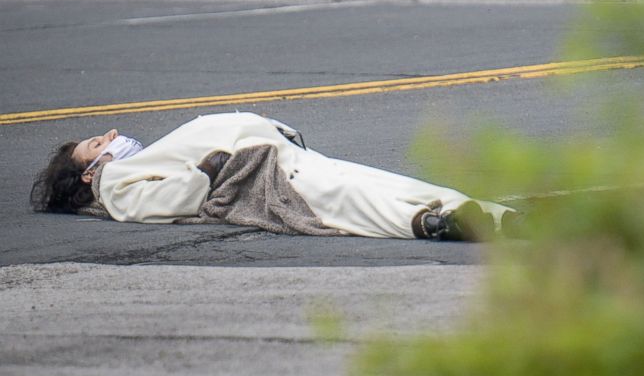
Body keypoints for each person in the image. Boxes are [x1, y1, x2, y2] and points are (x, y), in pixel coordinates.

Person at [31, 111, 516, 241]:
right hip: (261, 173)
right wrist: (211, 169)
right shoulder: (116, 186)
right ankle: (431, 225)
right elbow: (166, 202)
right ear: (90, 175)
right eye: (97, 144)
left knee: (382, 183)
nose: (110, 135)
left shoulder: (134, 165)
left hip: (278, 155)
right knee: (348, 200)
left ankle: (493, 216)